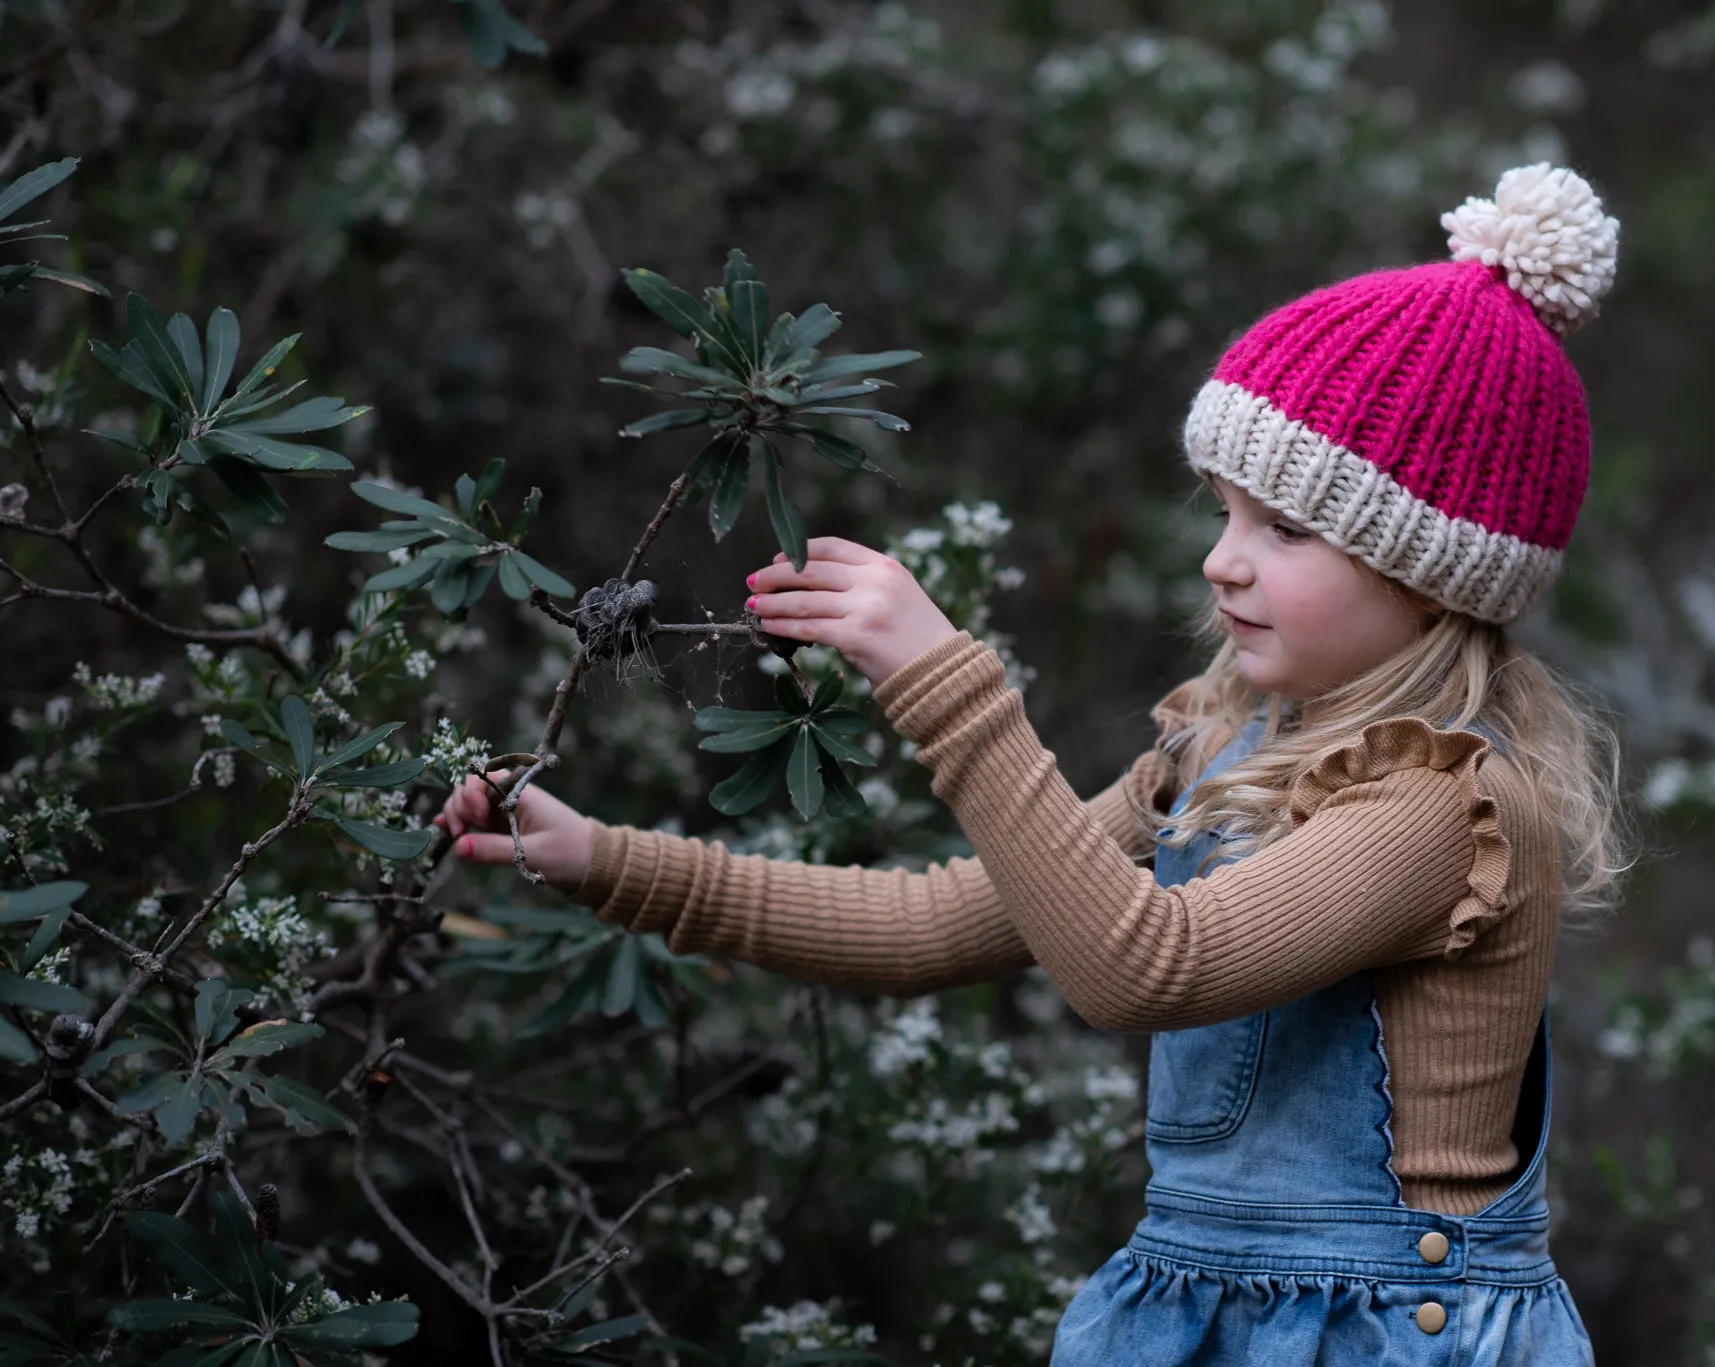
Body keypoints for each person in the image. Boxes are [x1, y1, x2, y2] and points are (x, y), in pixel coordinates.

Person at [436, 161, 1632, 1366]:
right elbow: (942, 922)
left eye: (1285, 527)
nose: (1221, 560)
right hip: (1207, 1320)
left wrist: (944, 682)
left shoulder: (1441, 811)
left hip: (1383, 1335)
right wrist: (606, 861)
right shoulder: (1225, 751)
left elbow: (1144, 967)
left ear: (1430, 571)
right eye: (1220, 511)